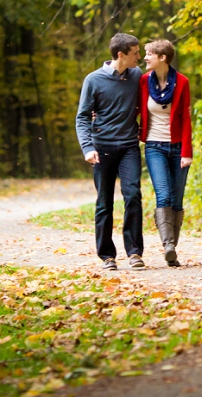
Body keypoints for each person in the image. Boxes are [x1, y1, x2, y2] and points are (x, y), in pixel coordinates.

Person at [76, 33, 145, 271]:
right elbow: (82, 117)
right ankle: (107, 255)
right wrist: (87, 147)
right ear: (121, 54)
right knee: (104, 202)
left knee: (133, 194)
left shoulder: (137, 76)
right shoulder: (93, 80)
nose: (140, 56)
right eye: (135, 52)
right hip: (102, 148)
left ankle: (135, 252)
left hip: (128, 146)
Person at [139, 39, 192, 267]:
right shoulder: (142, 81)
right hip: (153, 146)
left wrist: (187, 152)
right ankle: (168, 245)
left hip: (178, 147)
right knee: (164, 195)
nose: (145, 58)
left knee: (177, 200)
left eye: (149, 54)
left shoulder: (182, 82)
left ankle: (172, 250)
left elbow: (186, 118)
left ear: (162, 58)